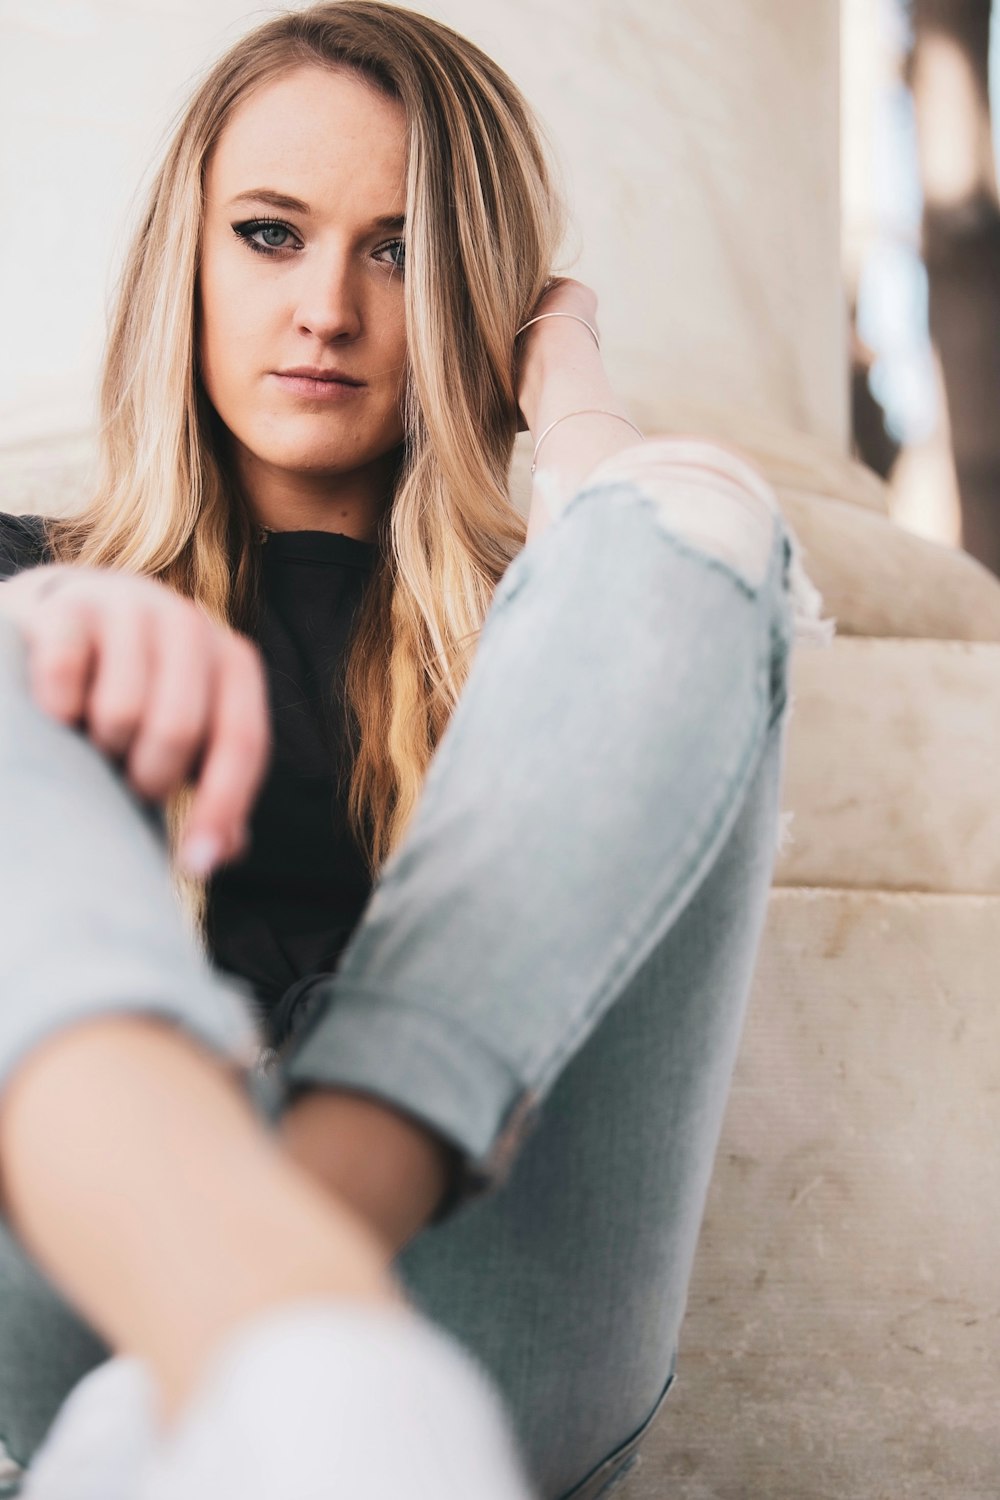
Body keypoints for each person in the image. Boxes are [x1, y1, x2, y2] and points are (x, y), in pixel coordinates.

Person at [0, 3, 825, 1497]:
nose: (328, 307)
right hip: (90, 1280)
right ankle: (269, 1335)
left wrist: (568, 376)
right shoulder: (26, 580)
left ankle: (274, 1319)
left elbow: (670, 545)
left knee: (703, 519)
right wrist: (37, 623)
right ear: (179, 256)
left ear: (480, 300)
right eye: (268, 235)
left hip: (488, 1305)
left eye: (400, 251)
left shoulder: (563, 627)